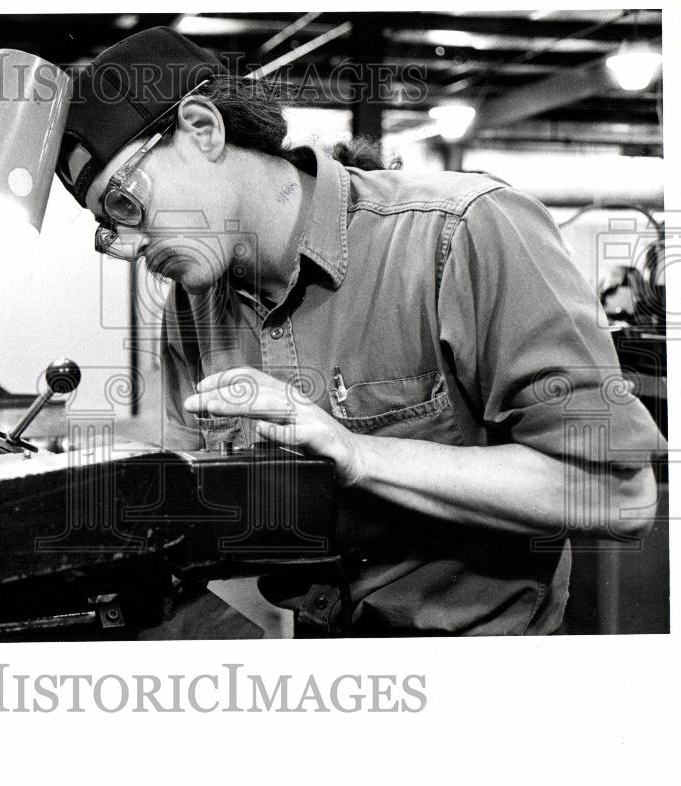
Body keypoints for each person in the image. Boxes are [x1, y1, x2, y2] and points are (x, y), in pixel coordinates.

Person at [55, 27, 664, 635]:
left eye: (127, 206)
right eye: (109, 231)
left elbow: (619, 494)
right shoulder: (192, 309)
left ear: (202, 129)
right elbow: (200, 510)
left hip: (481, 671)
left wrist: (358, 454)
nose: (130, 247)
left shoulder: (461, 234)